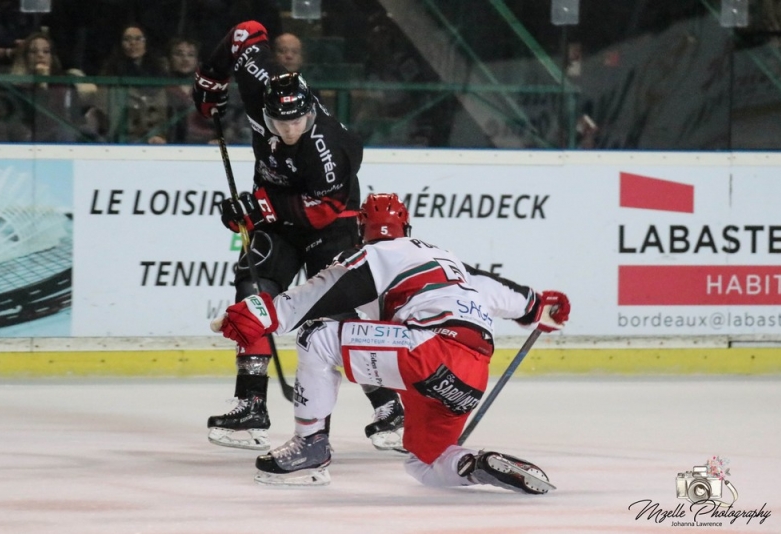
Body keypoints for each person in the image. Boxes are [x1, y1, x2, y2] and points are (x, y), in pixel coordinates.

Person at [210, 193, 571, 491]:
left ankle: (311, 447)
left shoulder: (371, 255)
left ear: (359, 229)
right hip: (470, 376)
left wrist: (261, 313)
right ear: (408, 227)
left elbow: (313, 296)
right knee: (425, 462)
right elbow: (511, 298)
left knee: (316, 337)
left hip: (429, 350)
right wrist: (539, 306)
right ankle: (473, 464)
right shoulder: (448, 261)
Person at [192, 20, 405, 452]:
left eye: (298, 122)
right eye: (279, 123)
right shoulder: (262, 85)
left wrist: (255, 208)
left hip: (330, 228)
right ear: (265, 112)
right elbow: (246, 33)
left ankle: (388, 408)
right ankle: (250, 404)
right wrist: (210, 81)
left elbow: (321, 211)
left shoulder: (332, 147)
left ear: (310, 111)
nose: (290, 131)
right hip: (281, 221)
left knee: (335, 316)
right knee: (252, 289)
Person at [99, 24, 168, 144]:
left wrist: (159, 135)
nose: (133, 43)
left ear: (146, 43)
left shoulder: (159, 73)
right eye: (127, 39)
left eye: (138, 39)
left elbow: (164, 113)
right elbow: (103, 109)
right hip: (120, 137)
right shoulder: (110, 73)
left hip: (153, 138)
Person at [165, 37, 215, 144]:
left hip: (208, 145)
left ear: (197, 61)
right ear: (169, 59)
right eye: (179, 54)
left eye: (191, 55)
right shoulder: (162, 89)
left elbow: (224, 123)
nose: (185, 59)